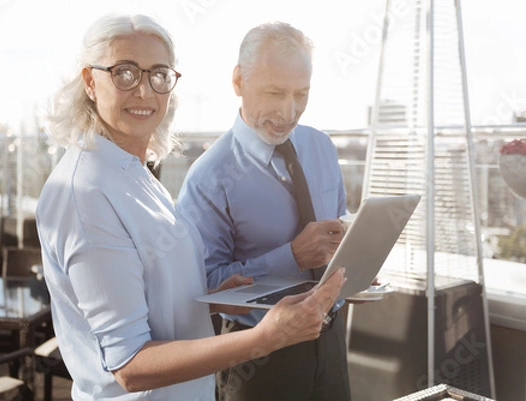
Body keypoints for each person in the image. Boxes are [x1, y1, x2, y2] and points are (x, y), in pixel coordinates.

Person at [35, 13, 346, 401]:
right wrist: (265, 338)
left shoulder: (134, 174)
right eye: (125, 73)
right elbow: (129, 366)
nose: (145, 92)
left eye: (158, 74)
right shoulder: (83, 192)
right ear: (90, 82)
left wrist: (212, 295)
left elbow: (153, 294)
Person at [177, 21, 352, 400]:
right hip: (258, 355)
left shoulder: (321, 147)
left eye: (301, 94)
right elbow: (203, 288)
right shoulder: (208, 177)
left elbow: (338, 229)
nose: (289, 112)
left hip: (332, 337)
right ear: (239, 81)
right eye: (274, 92)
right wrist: (291, 257)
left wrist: (355, 263)